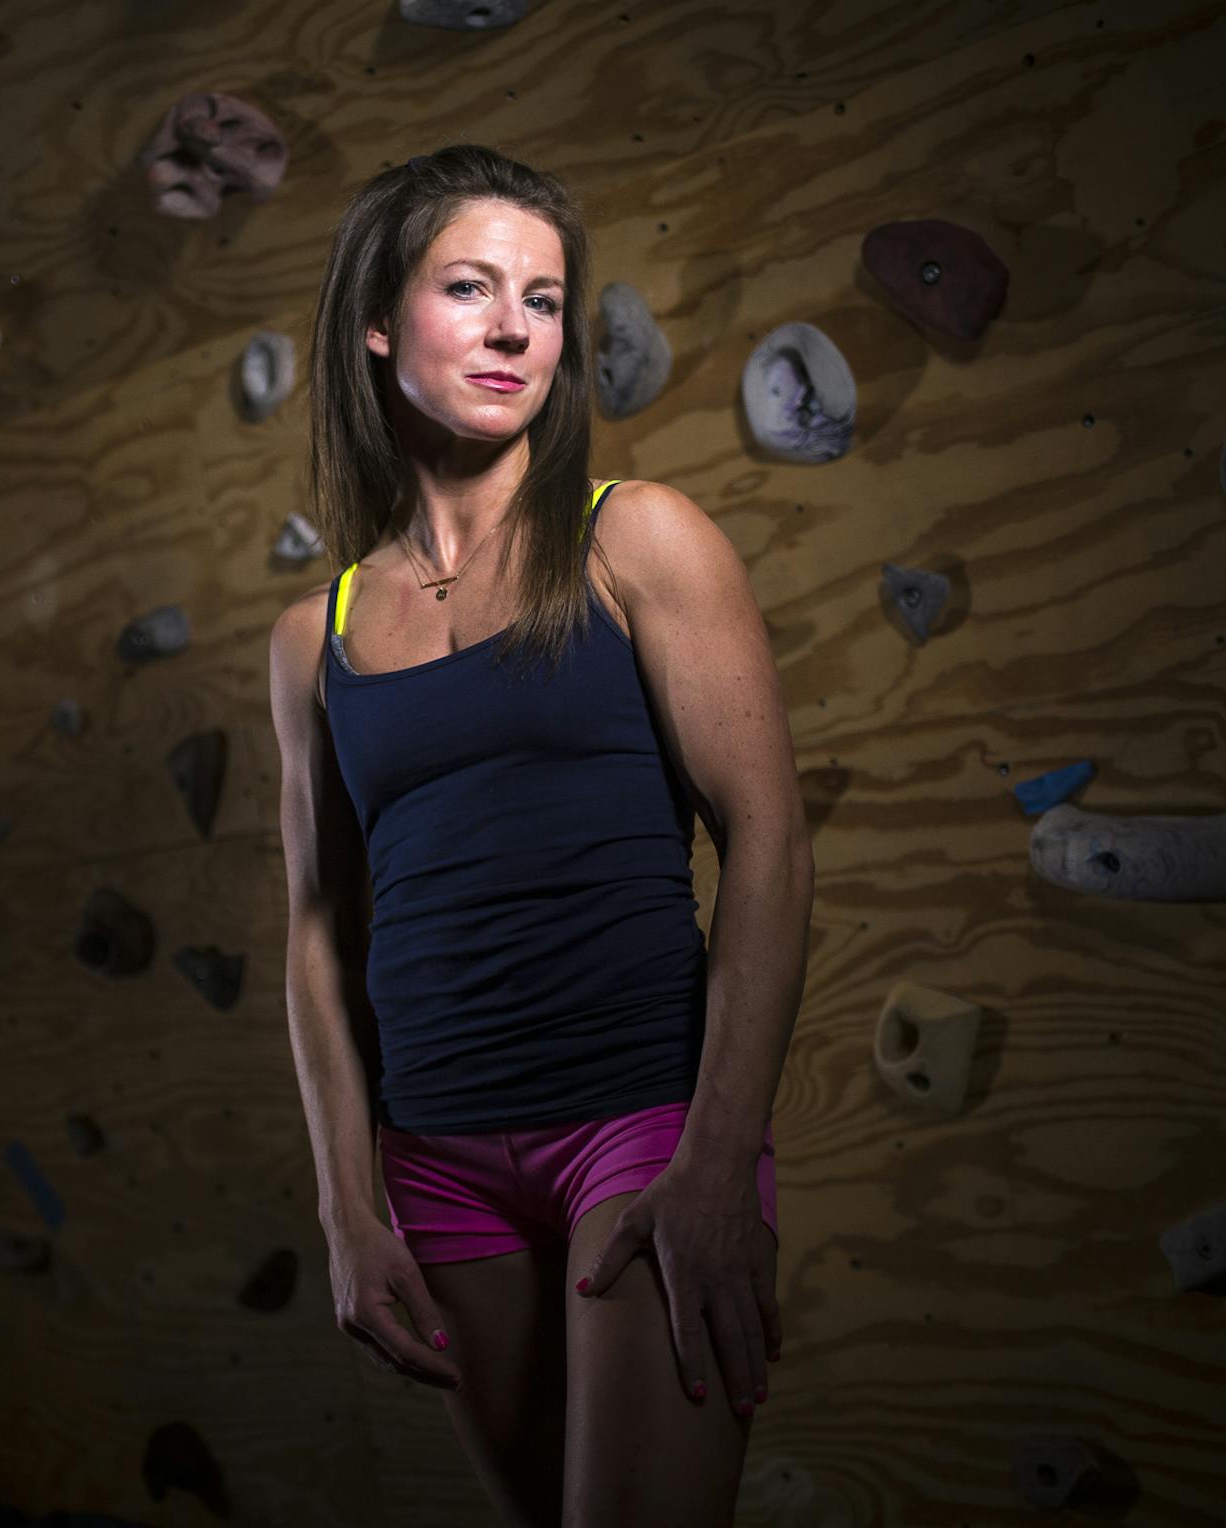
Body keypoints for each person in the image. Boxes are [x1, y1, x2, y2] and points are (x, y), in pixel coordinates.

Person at [268, 145, 814, 1527]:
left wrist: (715, 1158)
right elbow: (322, 930)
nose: (518, 327)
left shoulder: (642, 543)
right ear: (379, 320)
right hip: (437, 1163)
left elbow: (767, 838)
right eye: (470, 287)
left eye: (547, 298)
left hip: (639, 1130)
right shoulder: (309, 639)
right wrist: (348, 1207)